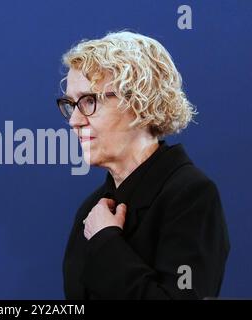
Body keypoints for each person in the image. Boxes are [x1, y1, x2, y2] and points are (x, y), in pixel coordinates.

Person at [58, 31, 230, 299]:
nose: (74, 120)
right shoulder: (90, 211)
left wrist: (106, 241)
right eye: (70, 105)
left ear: (138, 103)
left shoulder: (191, 196)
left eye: (89, 101)